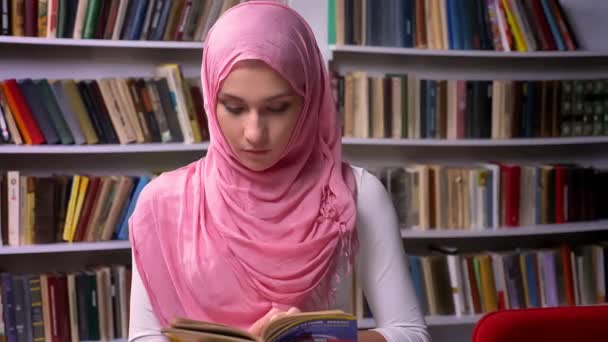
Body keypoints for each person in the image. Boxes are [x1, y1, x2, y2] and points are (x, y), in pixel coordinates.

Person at [128, 1, 430, 342]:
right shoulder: (163, 201)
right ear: (211, 100)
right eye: (234, 107)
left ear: (310, 98)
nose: (254, 132)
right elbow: (143, 337)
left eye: (277, 108)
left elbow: (411, 335)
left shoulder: (358, 193)